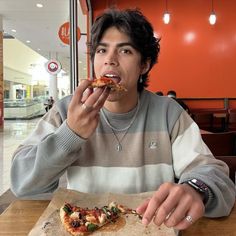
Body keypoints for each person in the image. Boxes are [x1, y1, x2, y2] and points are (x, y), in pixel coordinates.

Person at [10, 8, 235, 231]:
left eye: (125, 51)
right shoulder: (65, 111)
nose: (110, 60)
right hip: (85, 226)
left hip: (151, 227)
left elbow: (215, 176)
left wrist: (195, 188)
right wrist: (70, 134)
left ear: (144, 65)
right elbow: (22, 184)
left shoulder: (168, 113)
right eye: (101, 50)